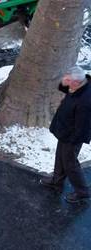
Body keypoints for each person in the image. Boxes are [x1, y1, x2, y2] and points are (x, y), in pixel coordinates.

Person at [40, 66, 91, 203]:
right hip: (65, 130)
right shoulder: (78, 85)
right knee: (60, 157)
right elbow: (63, 89)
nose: (65, 80)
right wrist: (65, 82)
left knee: (70, 163)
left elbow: (83, 126)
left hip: (72, 136)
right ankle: (56, 181)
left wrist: (73, 140)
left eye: (68, 80)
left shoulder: (85, 101)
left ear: (75, 83)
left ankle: (82, 191)